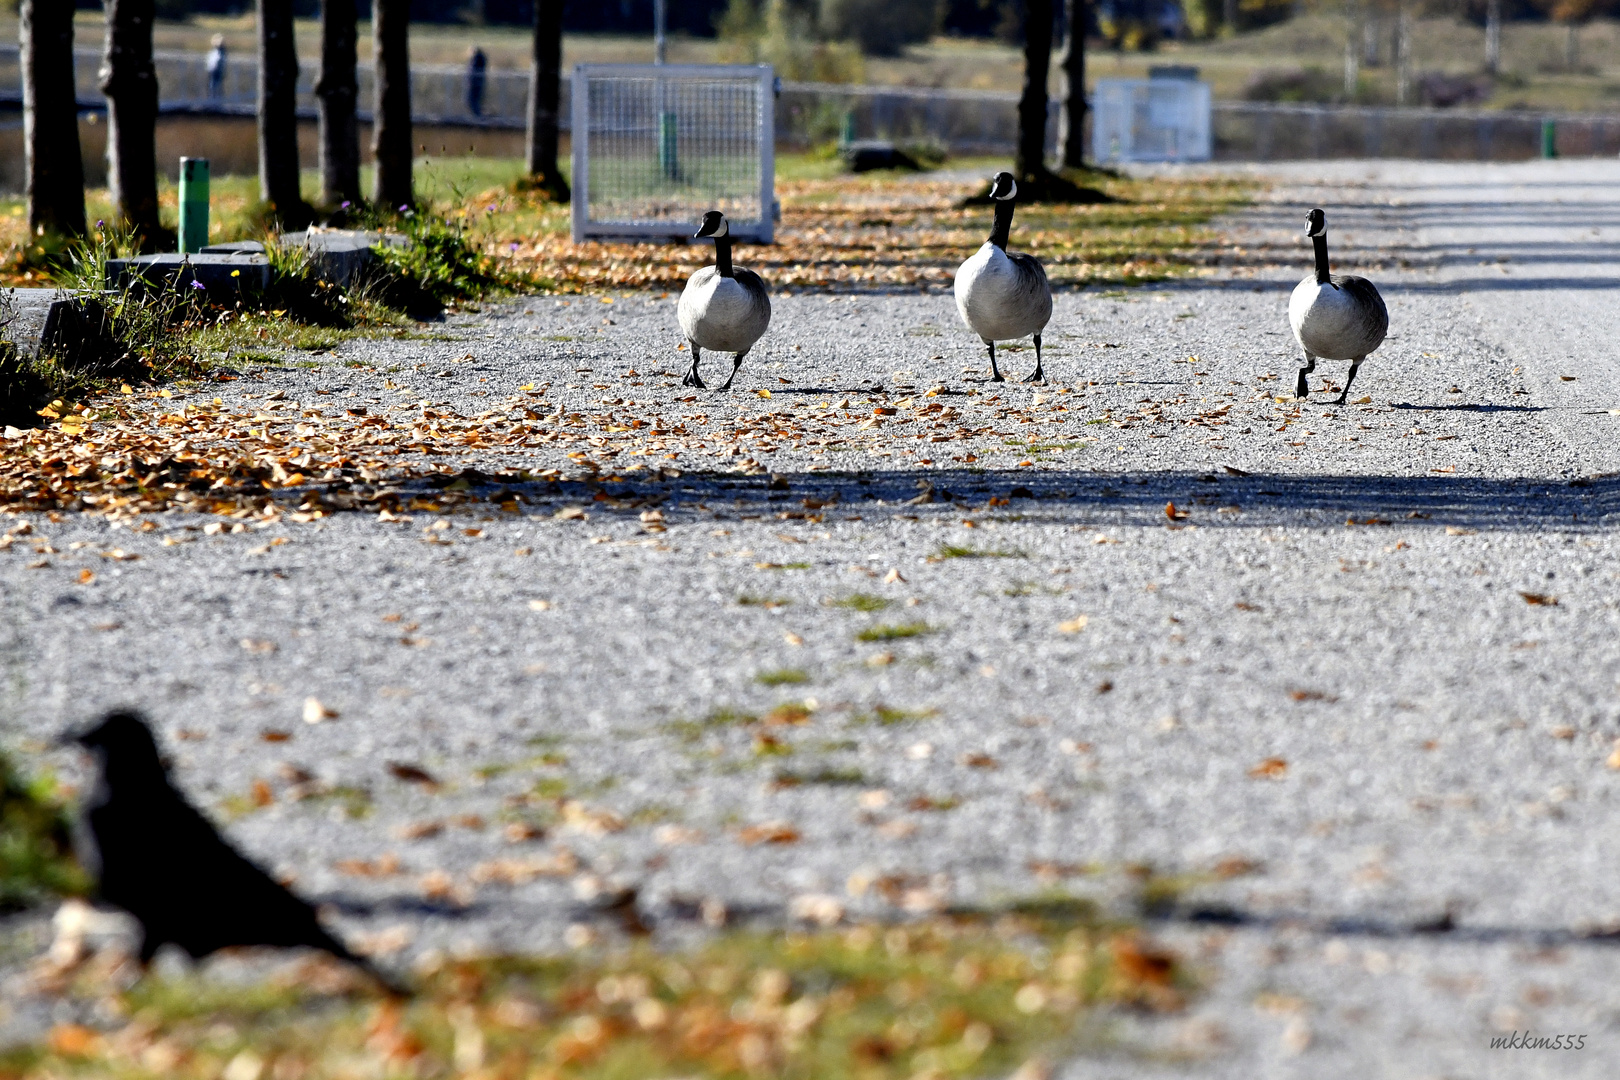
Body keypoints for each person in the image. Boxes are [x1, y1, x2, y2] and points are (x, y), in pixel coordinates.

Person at [465, 46, 488, 118]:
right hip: (475, 83)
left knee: (472, 100)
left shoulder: (478, 58)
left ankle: (479, 117)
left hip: (475, 83)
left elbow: (473, 70)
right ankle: (479, 115)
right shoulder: (479, 58)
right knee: (473, 100)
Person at [206, 34, 227, 102]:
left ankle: (217, 100)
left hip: (218, 69)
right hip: (213, 69)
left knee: (217, 85)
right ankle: (212, 99)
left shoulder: (222, 51)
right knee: (212, 85)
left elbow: (220, 60)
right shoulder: (214, 51)